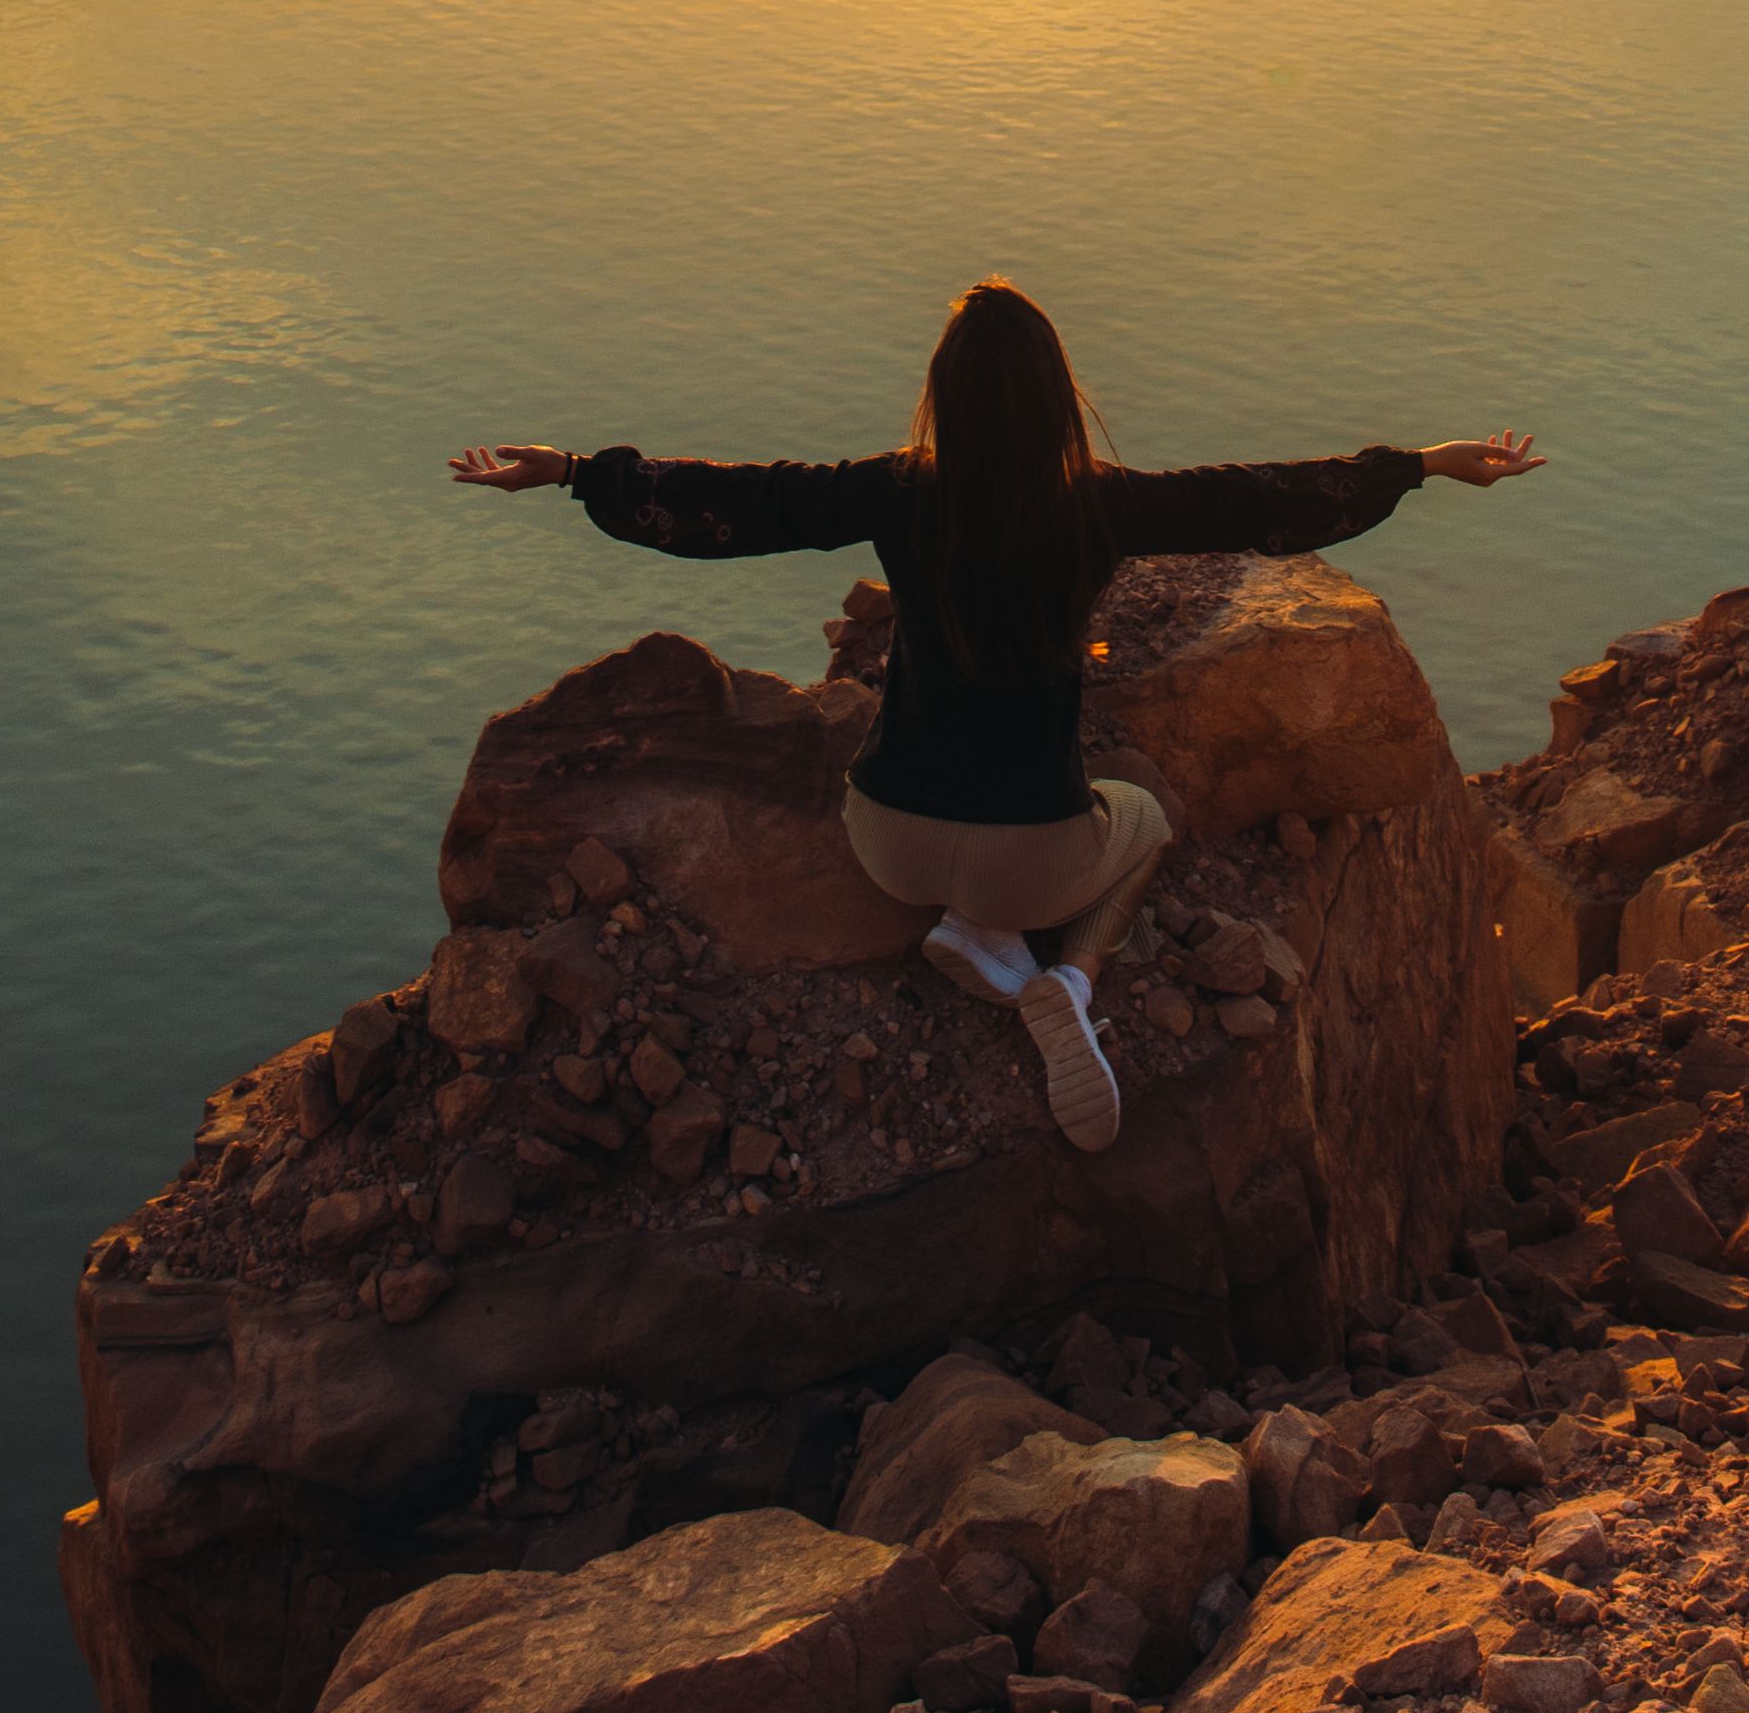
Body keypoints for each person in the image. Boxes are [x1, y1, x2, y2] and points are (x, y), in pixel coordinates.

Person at [451, 277, 1542, 1158]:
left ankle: (979, 941)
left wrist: (574, 473)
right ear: (1056, 397)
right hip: (1038, 858)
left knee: (926, 799)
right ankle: (1065, 980)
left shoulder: (899, 491)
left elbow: (741, 502)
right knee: (1144, 819)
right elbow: (1258, 496)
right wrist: (1425, 465)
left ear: (945, 398)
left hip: (888, 837)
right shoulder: (1097, 506)